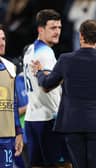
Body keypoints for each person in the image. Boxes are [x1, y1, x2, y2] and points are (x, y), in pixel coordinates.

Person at [32, 19, 96, 168]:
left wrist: (40, 72)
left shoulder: (65, 59)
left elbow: (48, 83)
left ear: (80, 36)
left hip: (72, 124)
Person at [23, 9, 71, 168]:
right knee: (64, 165)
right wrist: (66, 74)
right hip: (49, 118)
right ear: (40, 29)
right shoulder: (46, 53)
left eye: (59, 27)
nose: (57, 32)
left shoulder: (30, 50)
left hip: (32, 119)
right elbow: (47, 85)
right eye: (53, 28)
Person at [0, 24, 23, 168]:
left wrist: (18, 132)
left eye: (3, 39)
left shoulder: (11, 68)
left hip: (7, 138)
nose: (1, 43)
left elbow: (13, 104)